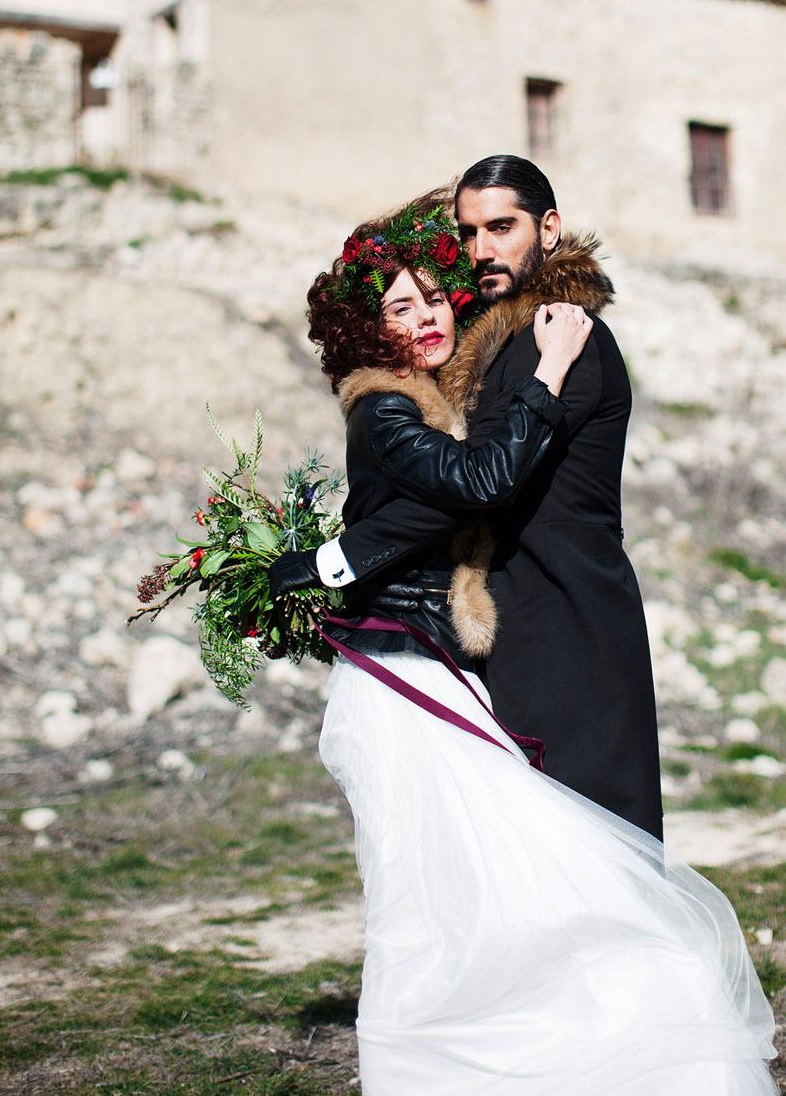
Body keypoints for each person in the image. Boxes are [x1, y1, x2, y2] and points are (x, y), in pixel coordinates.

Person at [268, 193, 776, 1094]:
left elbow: (436, 503)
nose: (425, 317)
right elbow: (478, 482)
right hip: (398, 685)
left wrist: (335, 558)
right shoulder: (384, 408)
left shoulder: (434, 394)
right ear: (367, 330)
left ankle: (550, 1047)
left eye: (432, 298)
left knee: (498, 877)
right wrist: (544, 373)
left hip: (433, 672)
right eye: (399, 307)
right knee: (440, 896)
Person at [280, 155, 664, 841]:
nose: (482, 249)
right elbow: (459, 480)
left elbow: (476, 490)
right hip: (515, 631)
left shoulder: (563, 336)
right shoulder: (496, 348)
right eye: (469, 232)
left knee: (599, 853)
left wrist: (336, 559)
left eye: (502, 227)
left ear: (548, 228)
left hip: (569, 623)